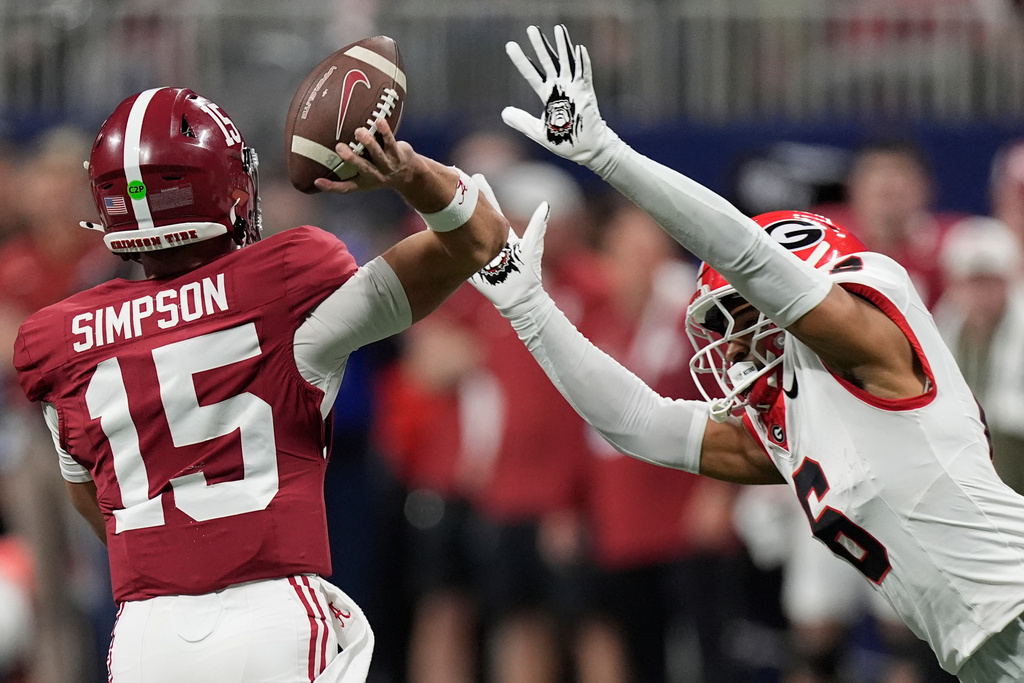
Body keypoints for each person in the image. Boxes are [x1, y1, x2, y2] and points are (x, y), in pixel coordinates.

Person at [469, 25, 1024, 683]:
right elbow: (640, 423)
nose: (733, 341)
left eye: (741, 312)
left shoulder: (873, 337)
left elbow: (749, 256)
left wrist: (608, 156)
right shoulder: (795, 426)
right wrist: (530, 309)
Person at [11, 87, 509, 683]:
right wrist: (410, 174)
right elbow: (482, 238)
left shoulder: (59, 338)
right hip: (271, 613)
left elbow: (92, 496)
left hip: (148, 633)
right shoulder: (289, 279)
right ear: (227, 186)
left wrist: (178, 561)